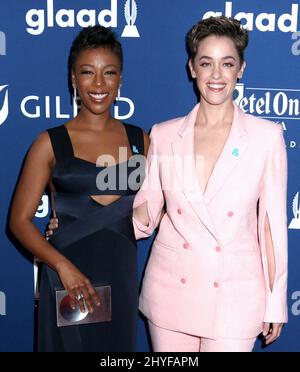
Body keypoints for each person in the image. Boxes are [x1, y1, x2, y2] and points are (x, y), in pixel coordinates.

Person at [132, 16, 288, 352]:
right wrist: (82, 219)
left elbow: (272, 226)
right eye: (206, 63)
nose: (216, 76)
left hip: (235, 296)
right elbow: (144, 214)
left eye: (227, 64)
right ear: (192, 68)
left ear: (241, 69)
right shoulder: (164, 134)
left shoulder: (265, 137)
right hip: (171, 293)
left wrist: (276, 301)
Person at [10, 25, 149, 352]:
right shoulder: (49, 143)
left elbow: (159, 207)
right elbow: (18, 221)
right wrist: (61, 265)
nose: (98, 84)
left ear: (120, 80)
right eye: (87, 72)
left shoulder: (140, 140)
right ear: (73, 78)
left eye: (109, 72)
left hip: (121, 278)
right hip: (67, 281)